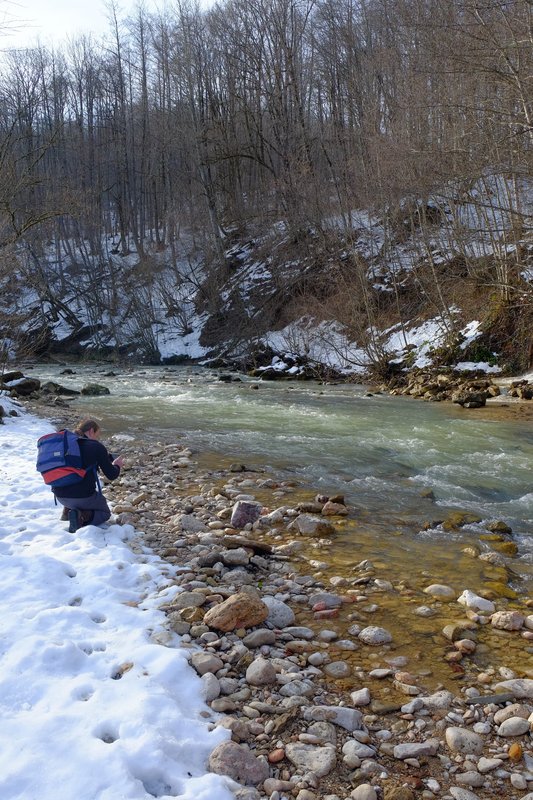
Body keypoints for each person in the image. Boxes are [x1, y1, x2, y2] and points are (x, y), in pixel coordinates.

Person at [54, 419, 124, 533]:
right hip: (83, 496)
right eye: (98, 435)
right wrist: (117, 465)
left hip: (59, 495)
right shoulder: (95, 446)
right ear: (91, 431)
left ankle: (67, 511)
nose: (97, 439)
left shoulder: (65, 443)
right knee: (104, 513)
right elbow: (111, 475)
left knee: (72, 480)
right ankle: (80, 516)